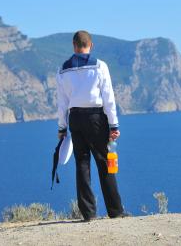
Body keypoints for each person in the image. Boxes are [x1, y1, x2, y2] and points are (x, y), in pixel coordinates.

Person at [56, 30, 124, 221]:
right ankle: (116, 211)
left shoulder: (62, 69)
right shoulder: (100, 66)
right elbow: (108, 97)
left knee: (82, 164)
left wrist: (62, 128)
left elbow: (62, 103)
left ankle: (88, 214)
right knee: (104, 164)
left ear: (73, 45)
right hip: (96, 119)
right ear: (91, 45)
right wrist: (114, 125)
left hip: (75, 119)